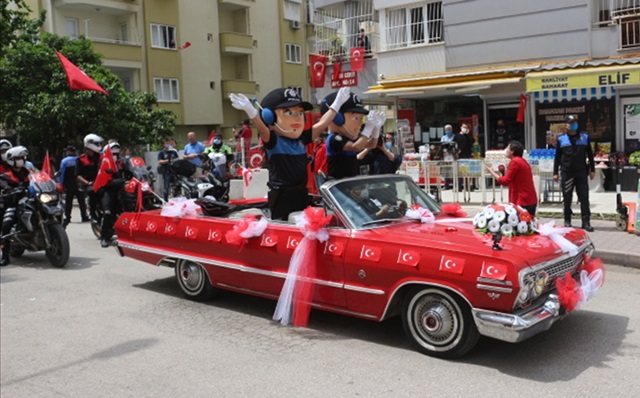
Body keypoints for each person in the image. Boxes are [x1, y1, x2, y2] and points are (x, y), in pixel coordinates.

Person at [230, 87, 352, 220]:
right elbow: (262, 129)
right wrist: (251, 111)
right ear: (270, 117)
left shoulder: (302, 139)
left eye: (300, 113)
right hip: (283, 195)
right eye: (288, 112)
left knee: (304, 225)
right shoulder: (274, 141)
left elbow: (323, 123)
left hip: (302, 192)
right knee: (285, 228)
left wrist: (337, 103)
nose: (297, 118)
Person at [321, 90, 385, 180]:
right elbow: (356, 147)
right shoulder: (334, 138)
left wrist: (376, 129)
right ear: (337, 118)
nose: (360, 123)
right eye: (356, 118)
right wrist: (367, 128)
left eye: (361, 118)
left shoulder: (350, 138)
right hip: (338, 182)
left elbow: (371, 144)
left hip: (351, 182)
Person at [553, 115, 596, 231]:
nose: (573, 125)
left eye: (575, 122)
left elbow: (590, 155)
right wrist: (555, 172)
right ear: (566, 125)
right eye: (571, 123)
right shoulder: (561, 139)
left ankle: (586, 222)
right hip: (567, 172)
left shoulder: (584, 137)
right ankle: (567, 220)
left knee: (584, 197)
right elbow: (557, 157)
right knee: (567, 197)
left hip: (581, 172)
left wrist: (592, 170)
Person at [484, 141, 538, 216]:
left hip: (522, 201)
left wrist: (491, 172)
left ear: (512, 151)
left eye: (508, 148)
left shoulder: (515, 162)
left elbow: (505, 181)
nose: (506, 150)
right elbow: (511, 179)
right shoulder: (521, 161)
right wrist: (503, 172)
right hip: (528, 200)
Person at [0, 146, 32, 266]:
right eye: (17, 158)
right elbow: (3, 186)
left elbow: (40, 178)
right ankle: (5, 255)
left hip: (30, 201)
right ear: (11, 160)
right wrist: (8, 189)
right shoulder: (5, 176)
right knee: (6, 225)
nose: (21, 160)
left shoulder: (29, 172)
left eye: (22, 157)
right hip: (14, 204)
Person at [97, 141, 125, 247]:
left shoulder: (121, 163)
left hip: (119, 189)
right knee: (108, 212)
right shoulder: (103, 163)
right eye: (113, 154)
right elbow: (105, 181)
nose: (115, 156)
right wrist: (121, 181)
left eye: (117, 154)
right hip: (107, 190)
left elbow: (129, 172)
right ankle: (104, 237)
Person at [59, 145, 89, 227]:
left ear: (69, 151)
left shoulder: (64, 161)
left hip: (69, 184)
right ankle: (84, 216)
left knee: (69, 202)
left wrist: (61, 183)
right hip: (79, 183)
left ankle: (68, 217)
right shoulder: (79, 159)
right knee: (81, 201)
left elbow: (62, 173)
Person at [76, 133, 104, 222]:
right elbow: (77, 175)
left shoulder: (102, 157)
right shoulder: (81, 159)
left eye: (99, 144)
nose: (99, 146)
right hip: (90, 183)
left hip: (103, 182)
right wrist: (88, 183)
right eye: (96, 144)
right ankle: (93, 214)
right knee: (92, 191)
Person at [454, 122, 475, 191]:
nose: (464, 128)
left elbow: (472, 141)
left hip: (467, 155)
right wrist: (456, 151)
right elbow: (453, 144)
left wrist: (467, 134)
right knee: (460, 171)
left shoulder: (468, 136)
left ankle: (468, 186)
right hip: (459, 155)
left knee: (468, 171)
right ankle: (460, 186)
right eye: (463, 127)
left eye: (465, 127)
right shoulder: (457, 136)